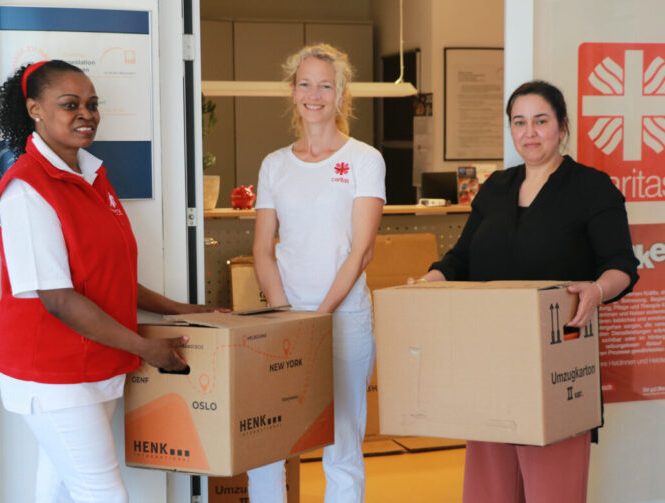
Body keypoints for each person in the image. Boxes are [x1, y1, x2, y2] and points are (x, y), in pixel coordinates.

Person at [0, 60, 219, 503]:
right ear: (35, 109)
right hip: (52, 370)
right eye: (70, 104)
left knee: (58, 485)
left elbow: (108, 278)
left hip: (94, 359)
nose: (86, 114)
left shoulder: (93, 177)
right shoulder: (27, 189)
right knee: (103, 493)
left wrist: (181, 310)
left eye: (92, 105)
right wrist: (146, 348)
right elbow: (58, 298)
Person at [413, 80, 639, 503]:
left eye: (541, 121)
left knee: (552, 490)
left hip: (557, 362)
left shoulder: (591, 188)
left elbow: (622, 266)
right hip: (490, 361)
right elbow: (459, 261)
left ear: (562, 127)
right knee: (489, 490)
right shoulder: (496, 187)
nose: (529, 132)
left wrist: (597, 290)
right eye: (519, 122)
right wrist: (427, 283)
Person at [247, 44, 386, 503]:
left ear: (342, 95)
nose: (315, 94)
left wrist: (319, 319)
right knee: (268, 442)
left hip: (343, 321)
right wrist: (286, 314)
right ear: (292, 93)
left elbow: (361, 250)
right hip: (283, 319)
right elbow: (262, 250)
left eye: (326, 85)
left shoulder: (365, 160)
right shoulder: (274, 165)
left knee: (341, 443)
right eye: (305, 83)